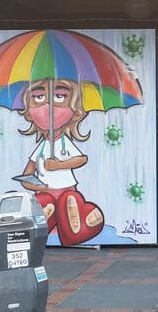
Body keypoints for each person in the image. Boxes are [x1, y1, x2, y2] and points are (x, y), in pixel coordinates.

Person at [18, 79, 105, 245]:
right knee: (44, 202)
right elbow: (26, 175)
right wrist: (37, 186)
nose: (49, 106)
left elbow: (81, 159)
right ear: (29, 112)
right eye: (38, 97)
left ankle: (73, 232)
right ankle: (42, 232)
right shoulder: (42, 148)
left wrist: (59, 165)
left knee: (69, 200)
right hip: (45, 193)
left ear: (76, 111)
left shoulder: (65, 143)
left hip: (66, 190)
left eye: (59, 96)